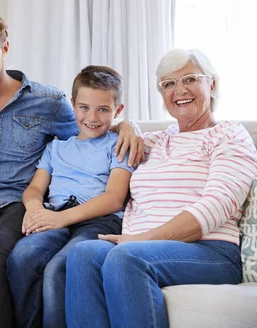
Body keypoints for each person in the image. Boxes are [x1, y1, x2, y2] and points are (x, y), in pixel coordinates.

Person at [0, 7, 143, 328]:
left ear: (5, 48)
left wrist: (128, 126)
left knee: (1, 256)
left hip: (17, 206)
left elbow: (88, 134)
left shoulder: (49, 101)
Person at [65, 49, 257, 328]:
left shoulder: (229, 135)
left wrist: (143, 239)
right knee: (83, 255)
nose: (180, 90)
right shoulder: (153, 141)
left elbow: (215, 207)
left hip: (209, 249)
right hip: (141, 245)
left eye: (190, 79)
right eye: (169, 84)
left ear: (211, 84)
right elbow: (101, 125)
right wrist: (128, 126)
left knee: (126, 258)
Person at [6, 66, 135, 328]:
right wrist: (34, 209)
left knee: (59, 268)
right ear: (73, 105)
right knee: (22, 257)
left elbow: (113, 198)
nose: (92, 117)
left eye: (103, 109)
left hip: (99, 220)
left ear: (117, 111)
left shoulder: (118, 146)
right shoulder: (57, 147)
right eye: (84, 107)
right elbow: (34, 189)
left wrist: (61, 218)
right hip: (55, 215)